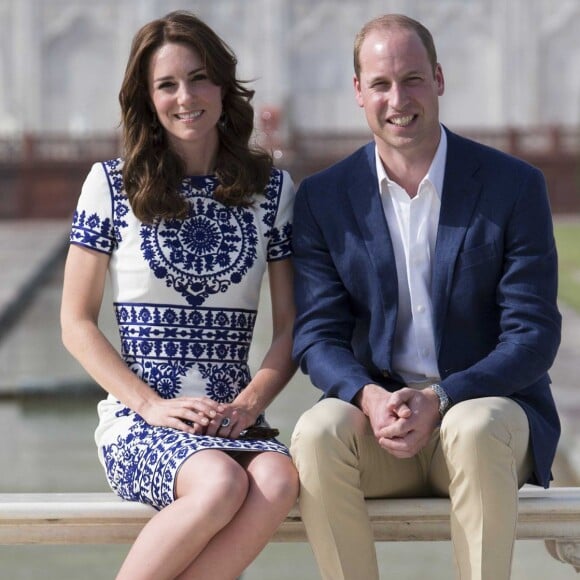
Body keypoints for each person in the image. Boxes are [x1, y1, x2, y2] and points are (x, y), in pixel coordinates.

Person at [290, 13, 561, 580]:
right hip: (382, 427)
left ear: (438, 79)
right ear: (358, 92)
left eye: (412, 79)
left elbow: (533, 334)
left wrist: (442, 397)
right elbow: (316, 335)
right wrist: (366, 397)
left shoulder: (512, 186)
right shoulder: (323, 199)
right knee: (315, 434)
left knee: (475, 426)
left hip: (482, 417)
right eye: (382, 84)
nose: (398, 99)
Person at [60, 10, 298, 580]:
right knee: (218, 482)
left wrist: (247, 406)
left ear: (222, 86)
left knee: (278, 478)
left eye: (198, 78)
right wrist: (150, 405)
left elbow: (292, 325)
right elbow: (75, 322)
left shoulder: (271, 191)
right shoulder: (112, 185)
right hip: (140, 418)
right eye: (167, 84)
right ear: (148, 98)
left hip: (232, 419)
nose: (185, 96)